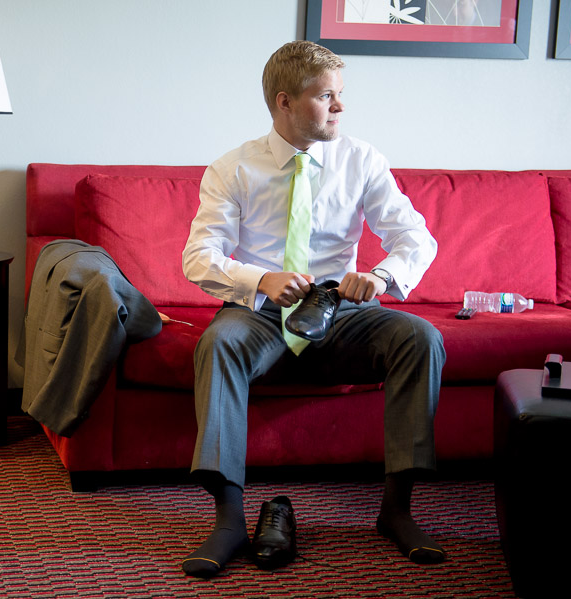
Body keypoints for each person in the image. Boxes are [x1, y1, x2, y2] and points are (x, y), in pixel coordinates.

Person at [180, 40, 446, 578]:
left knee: (420, 337)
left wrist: (379, 276)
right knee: (218, 343)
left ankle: (397, 510)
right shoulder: (233, 168)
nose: (341, 108)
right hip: (260, 313)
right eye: (327, 97)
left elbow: (415, 236)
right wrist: (261, 278)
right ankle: (229, 519)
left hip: (339, 310)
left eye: (341, 95)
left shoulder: (361, 159)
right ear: (285, 102)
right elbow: (198, 257)